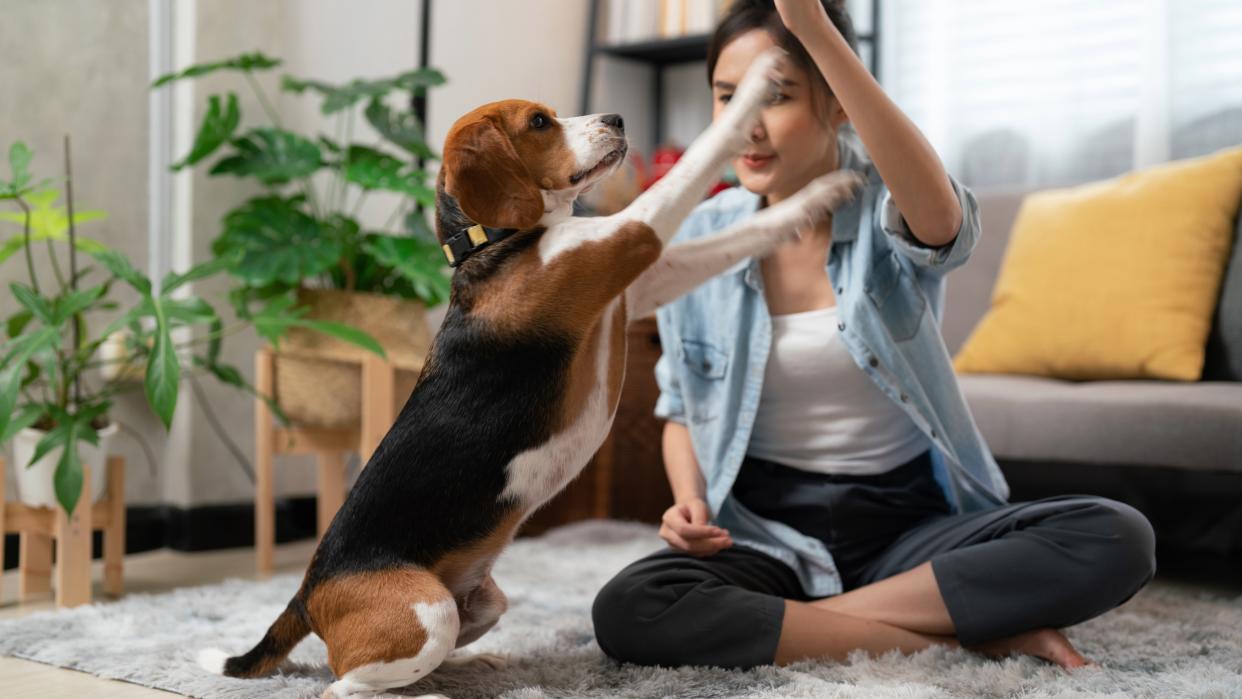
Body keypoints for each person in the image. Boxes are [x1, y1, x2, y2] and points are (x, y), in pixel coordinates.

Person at [591, 0, 1156, 670]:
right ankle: (960, 629)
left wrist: (815, 30)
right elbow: (681, 408)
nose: (748, 127)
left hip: (909, 529)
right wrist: (690, 500)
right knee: (630, 605)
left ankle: (819, 626)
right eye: (727, 98)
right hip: (767, 535)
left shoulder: (892, 207)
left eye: (775, 96)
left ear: (835, 103)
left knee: (1117, 535)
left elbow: (943, 221)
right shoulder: (700, 237)